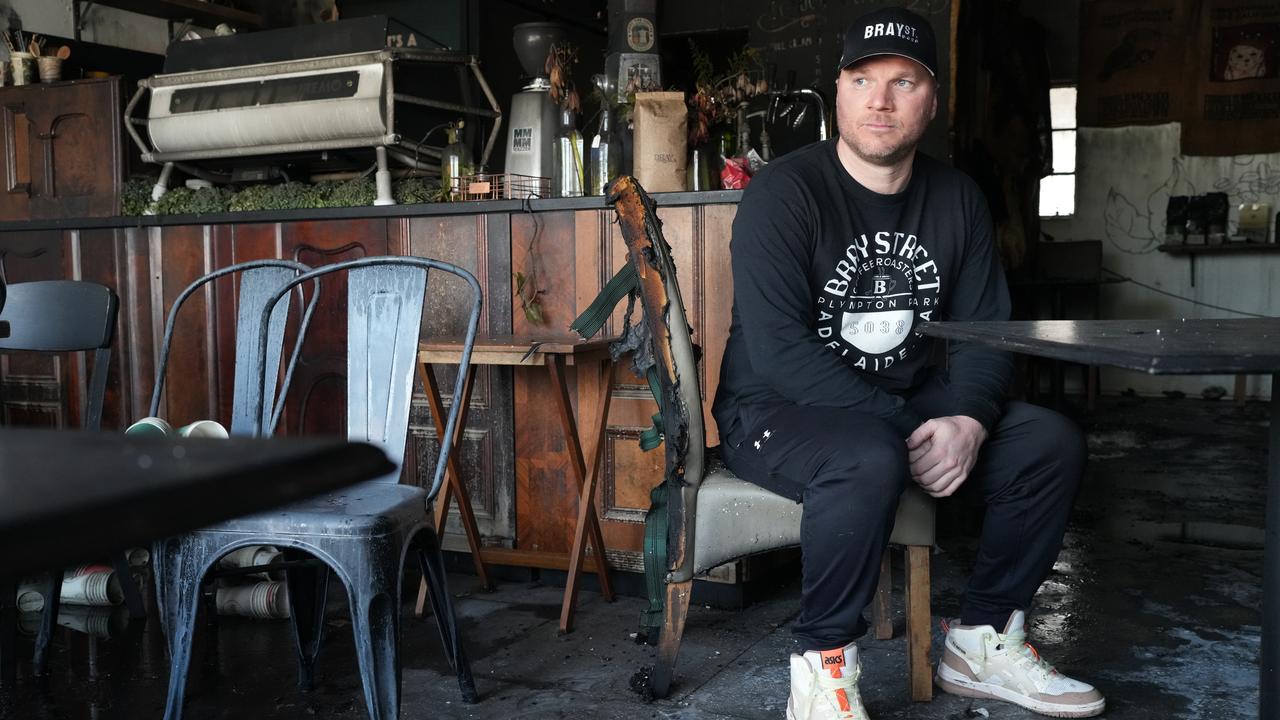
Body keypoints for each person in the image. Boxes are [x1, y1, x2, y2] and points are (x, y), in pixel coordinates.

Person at [710, 6, 1105, 719]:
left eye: (903, 82)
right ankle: (820, 668)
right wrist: (907, 427)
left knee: (1049, 442)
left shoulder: (957, 199)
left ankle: (980, 641)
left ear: (931, 100)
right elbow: (778, 350)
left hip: (906, 407)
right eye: (862, 79)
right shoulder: (785, 193)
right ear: (838, 91)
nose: (880, 101)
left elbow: (986, 333)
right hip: (773, 409)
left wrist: (969, 421)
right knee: (868, 456)